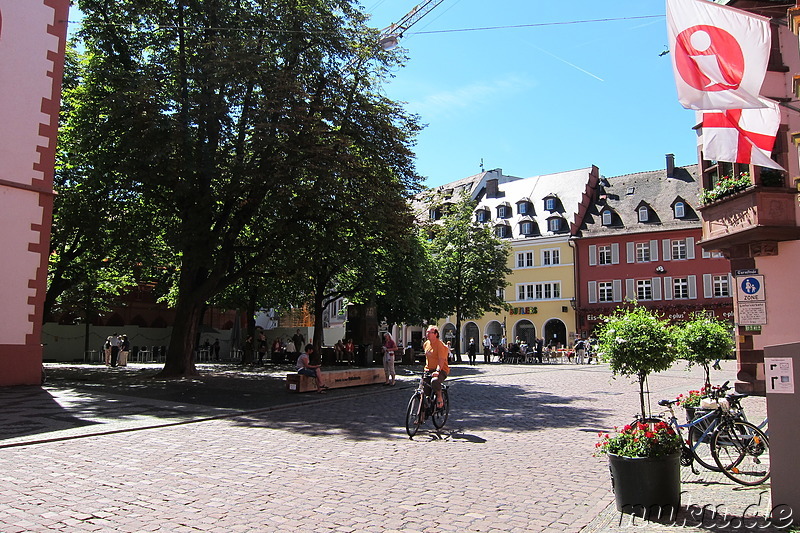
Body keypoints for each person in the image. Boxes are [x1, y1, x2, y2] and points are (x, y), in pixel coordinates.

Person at [423, 326, 450, 408]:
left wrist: (438, 371)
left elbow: (441, 359)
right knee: (423, 391)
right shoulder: (426, 344)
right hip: (428, 370)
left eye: (429, 332)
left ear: (435, 334)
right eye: (427, 332)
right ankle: (421, 416)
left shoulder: (440, 345)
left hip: (441, 369)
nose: (427, 334)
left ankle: (439, 397)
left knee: (435, 381)